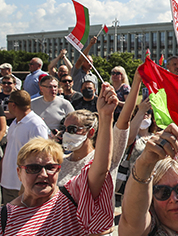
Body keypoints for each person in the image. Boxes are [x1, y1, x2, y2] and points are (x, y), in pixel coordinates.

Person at [1, 83, 118, 235]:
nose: (43, 174)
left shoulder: (69, 198)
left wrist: (106, 116)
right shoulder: (5, 218)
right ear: (19, 173)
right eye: (33, 168)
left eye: (50, 167)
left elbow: (101, 169)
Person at [1, 90, 50, 204]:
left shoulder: (36, 125)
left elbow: (41, 156)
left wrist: (27, 185)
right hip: (7, 182)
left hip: (22, 186)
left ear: (13, 105)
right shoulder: (15, 122)